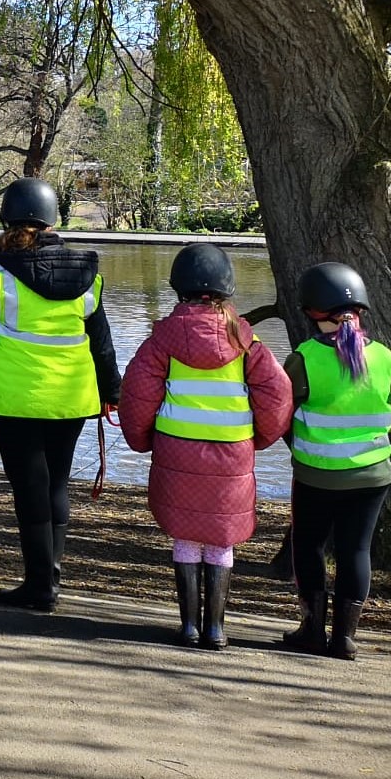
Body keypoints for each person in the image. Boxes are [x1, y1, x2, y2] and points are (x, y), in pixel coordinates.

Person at [0, 178, 121, 612]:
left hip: (13, 397)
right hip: (72, 396)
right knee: (57, 481)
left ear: (6, 219)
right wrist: (111, 391)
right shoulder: (88, 277)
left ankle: (40, 585)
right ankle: (50, 578)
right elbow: (101, 341)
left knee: (29, 486)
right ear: (53, 220)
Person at [119, 244, 291, 649]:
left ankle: (189, 627)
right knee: (220, 539)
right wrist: (260, 438)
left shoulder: (162, 342)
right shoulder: (246, 343)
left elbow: (137, 396)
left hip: (177, 453)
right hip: (231, 456)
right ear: (226, 290)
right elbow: (277, 396)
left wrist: (142, 441)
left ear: (179, 288)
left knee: (185, 536)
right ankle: (216, 628)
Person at [280, 262, 391, 661]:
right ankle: (345, 638)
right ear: (361, 310)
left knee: (309, 545)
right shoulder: (384, 356)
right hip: (373, 475)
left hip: (316, 474)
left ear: (312, 312)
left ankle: (312, 630)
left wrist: (300, 444)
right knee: (356, 551)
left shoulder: (303, 358)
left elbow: (282, 412)